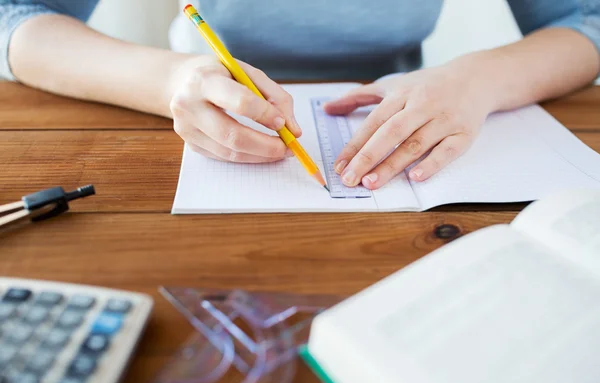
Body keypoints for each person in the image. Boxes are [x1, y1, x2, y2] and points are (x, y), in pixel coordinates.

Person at [2, 1, 599, 190]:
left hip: (407, 91)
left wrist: (481, 77)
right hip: (200, 102)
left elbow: (587, 18)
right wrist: (165, 80)